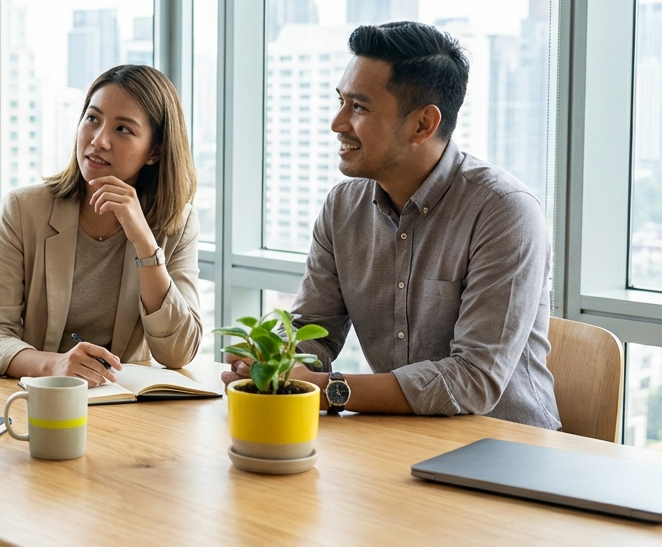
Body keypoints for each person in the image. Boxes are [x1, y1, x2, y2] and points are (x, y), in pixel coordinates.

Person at [0, 64, 202, 547]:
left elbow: (178, 349)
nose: (99, 140)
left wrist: (142, 240)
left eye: (124, 129)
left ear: (154, 151)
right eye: (92, 119)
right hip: (16, 422)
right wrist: (54, 366)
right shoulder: (27, 210)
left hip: (115, 440)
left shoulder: (173, 225)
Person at [224, 21, 559, 430]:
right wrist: (271, 360)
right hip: (398, 439)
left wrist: (327, 390)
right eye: (341, 101)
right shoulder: (342, 206)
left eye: (359, 108)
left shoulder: (504, 212)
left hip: (506, 449)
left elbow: (473, 380)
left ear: (423, 125)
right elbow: (316, 333)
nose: (337, 123)